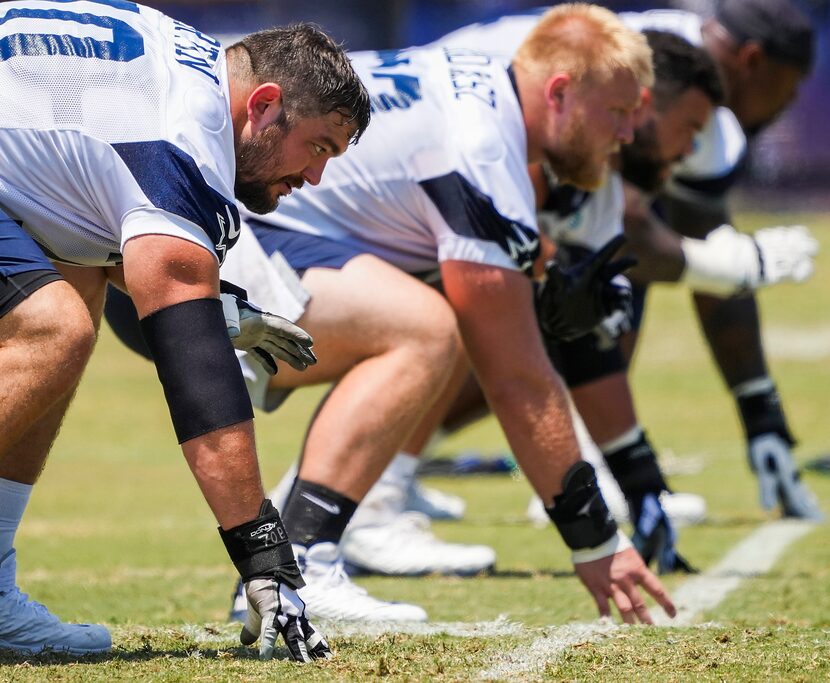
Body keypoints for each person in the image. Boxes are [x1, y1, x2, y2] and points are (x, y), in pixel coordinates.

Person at [217, 4, 675, 625]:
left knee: (441, 316)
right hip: (230, 239)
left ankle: (342, 522)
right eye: (618, 114)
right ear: (561, 93)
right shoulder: (483, 152)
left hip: (253, 234)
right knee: (427, 329)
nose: (626, 136)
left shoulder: (483, 90)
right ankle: (297, 562)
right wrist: (595, 540)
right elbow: (517, 379)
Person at [0, 0, 369, 661]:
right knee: (52, 329)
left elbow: (117, 244)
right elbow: (193, 368)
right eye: (317, 146)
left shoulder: (190, 65)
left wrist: (217, 311)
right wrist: (265, 556)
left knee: (73, 282)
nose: (315, 176)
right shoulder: (188, 143)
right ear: (261, 105)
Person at [429, 0, 823, 523]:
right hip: (430, 135)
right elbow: (644, 238)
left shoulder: (680, 69)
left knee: (573, 294)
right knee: (559, 291)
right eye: (791, 85)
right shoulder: (664, 72)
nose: (790, 102)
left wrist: (760, 409)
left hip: (446, 133)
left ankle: (396, 463)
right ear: (753, 60)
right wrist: (743, 265)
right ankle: (576, 470)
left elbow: (692, 235)